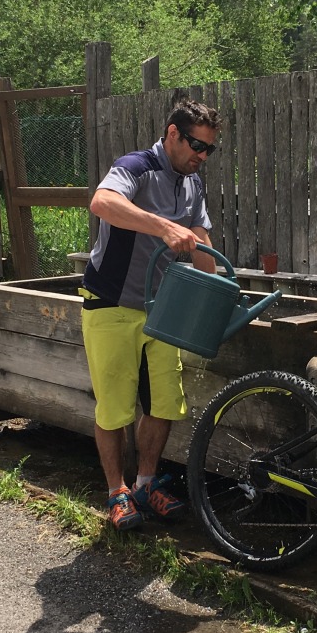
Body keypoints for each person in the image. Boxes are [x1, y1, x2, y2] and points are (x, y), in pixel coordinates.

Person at [81, 98, 221, 530]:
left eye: (209, 149)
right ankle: (116, 493)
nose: (201, 155)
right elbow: (102, 203)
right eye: (197, 145)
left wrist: (220, 291)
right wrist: (162, 226)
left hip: (163, 308)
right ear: (172, 133)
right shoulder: (135, 166)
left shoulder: (192, 183)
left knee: (163, 402)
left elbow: (201, 241)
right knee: (114, 408)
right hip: (111, 302)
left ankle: (145, 484)